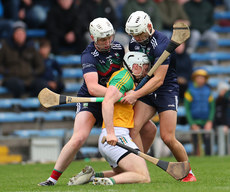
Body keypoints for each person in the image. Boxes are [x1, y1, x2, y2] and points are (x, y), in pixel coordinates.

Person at [38, 17, 125, 186]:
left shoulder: (118, 48)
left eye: (109, 37)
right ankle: (52, 179)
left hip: (112, 101)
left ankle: (130, 169)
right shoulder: (88, 56)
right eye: (102, 39)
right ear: (93, 38)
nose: (107, 42)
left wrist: (123, 93)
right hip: (91, 100)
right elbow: (93, 88)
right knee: (78, 138)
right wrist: (117, 94)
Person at [121, 11, 196, 182]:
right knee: (133, 130)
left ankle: (187, 172)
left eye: (139, 33)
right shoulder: (134, 43)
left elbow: (159, 80)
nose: (136, 38)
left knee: (167, 137)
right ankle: (140, 170)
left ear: (149, 27)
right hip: (146, 90)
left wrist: (136, 95)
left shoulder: (162, 44)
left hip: (165, 90)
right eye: (133, 34)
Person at [68, 51, 153, 186]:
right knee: (143, 176)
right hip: (116, 137)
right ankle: (107, 182)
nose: (147, 72)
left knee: (123, 173)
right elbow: (107, 102)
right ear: (135, 66)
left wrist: (133, 93)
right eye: (145, 67)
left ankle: (91, 176)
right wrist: (111, 133)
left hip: (114, 138)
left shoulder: (130, 81)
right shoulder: (123, 78)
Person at [0, 21, 45, 98]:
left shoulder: (31, 47)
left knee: (42, 84)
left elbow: (40, 65)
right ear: (13, 35)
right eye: (18, 33)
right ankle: (17, 105)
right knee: (17, 85)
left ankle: (34, 105)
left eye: (22, 33)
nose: (20, 36)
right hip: (11, 78)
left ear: (25, 35)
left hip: (29, 78)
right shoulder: (6, 47)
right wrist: (6, 71)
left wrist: (34, 72)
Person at [184, 69, 215, 156]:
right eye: (199, 78)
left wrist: (210, 121)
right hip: (195, 122)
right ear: (195, 79)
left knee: (208, 144)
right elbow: (187, 109)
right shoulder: (189, 91)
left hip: (206, 122)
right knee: (196, 145)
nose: (200, 80)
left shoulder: (209, 91)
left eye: (202, 78)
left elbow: (212, 108)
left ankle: (209, 160)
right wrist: (192, 123)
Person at [183, 0, 219, 65]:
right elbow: (185, 20)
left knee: (214, 36)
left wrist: (204, 27)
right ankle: (190, 57)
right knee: (195, 34)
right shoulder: (187, 6)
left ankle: (213, 57)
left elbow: (211, 21)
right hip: (192, 31)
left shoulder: (207, 5)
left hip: (205, 31)